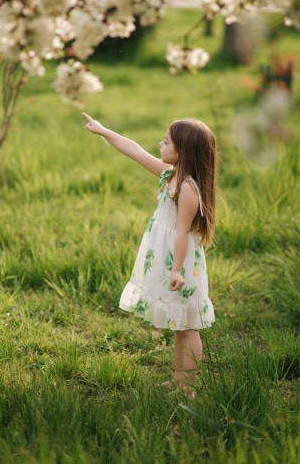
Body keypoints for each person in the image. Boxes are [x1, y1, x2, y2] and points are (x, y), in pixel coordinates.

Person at [82, 112, 217, 394]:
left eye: (166, 142)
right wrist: (104, 131)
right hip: (171, 258)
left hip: (180, 264)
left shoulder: (188, 189)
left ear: (182, 152)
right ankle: (180, 379)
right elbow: (135, 150)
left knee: (187, 326)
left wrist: (177, 270)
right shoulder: (170, 175)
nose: (160, 144)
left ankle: (188, 386)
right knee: (179, 324)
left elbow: (182, 232)